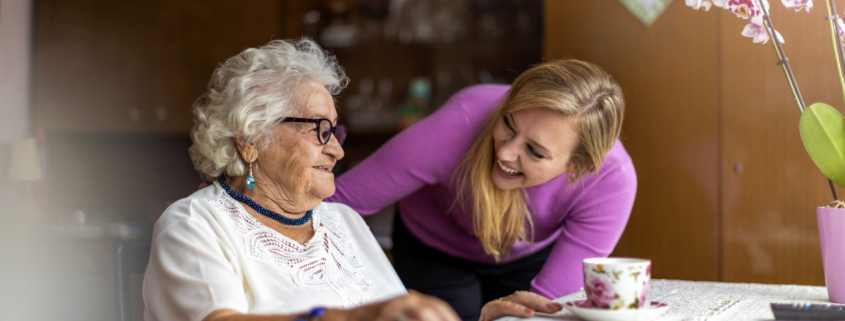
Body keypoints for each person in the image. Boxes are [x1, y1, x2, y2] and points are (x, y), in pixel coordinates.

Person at [142, 39, 563, 321]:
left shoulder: (342, 221)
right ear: (251, 141)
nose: (337, 150)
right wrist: (353, 317)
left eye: (336, 132)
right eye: (318, 131)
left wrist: (485, 317)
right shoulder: (195, 225)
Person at [327, 59, 637, 320]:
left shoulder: (611, 182)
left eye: (535, 151)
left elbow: (546, 309)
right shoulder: (462, 120)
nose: (505, 153)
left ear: (577, 167)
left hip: (527, 256)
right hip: (433, 248)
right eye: (508, 124)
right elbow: (335, 203)